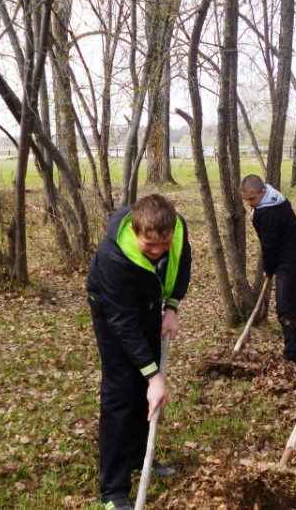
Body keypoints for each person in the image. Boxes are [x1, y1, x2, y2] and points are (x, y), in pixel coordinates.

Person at [86, 193, 192, 510]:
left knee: (142, 386)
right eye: (150, 246)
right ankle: (114, 490)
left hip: (149, 305)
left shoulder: (178, 230)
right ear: (135, 232)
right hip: (113, 313)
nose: (159, 251)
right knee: (121, 391)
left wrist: (171, 307)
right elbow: (122, 323)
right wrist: (154, 376)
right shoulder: (113, 257)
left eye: (165, 243)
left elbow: (181, 264)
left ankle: (138, 457)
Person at [239, 174, 296, 365]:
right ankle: (295, 352)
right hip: (290, 256)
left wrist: (268, 268)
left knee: (286, 307)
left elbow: (269, 246)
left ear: (263, 191)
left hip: (291, 259)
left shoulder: (267, 212)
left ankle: (294, 356)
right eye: (245, 199)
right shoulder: (274, 199)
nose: (249, 203)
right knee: (289, 305)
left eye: (252, 199)